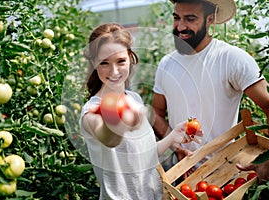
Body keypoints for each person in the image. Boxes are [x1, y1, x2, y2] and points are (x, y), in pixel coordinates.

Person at [151, 0, 269, 181]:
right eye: (176, 18)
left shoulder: (231, 59)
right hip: (182, 175)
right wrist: (176, 146)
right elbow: (156, 113)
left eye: (190, 19)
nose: (180, 26)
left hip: (226, 173)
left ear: (210, 20)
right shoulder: (166, 64)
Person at [79, 23, 198, 200]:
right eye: (104, 63)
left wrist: (173, 136)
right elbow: (108, 138)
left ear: (130, 58)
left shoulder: (134, 99)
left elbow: (143, 156)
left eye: (121, 61)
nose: (114, 71)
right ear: (94, 64)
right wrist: (120, 124)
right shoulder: (91, 112)